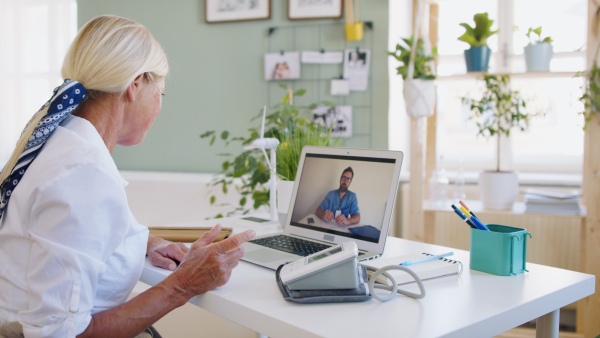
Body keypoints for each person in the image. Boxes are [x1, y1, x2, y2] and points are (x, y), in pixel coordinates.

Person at [0, 15, 255, 337]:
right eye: (160, 94)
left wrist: (143, 243)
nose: (159, 107)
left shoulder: (59, 144)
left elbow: (57, 232)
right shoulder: (81, 175)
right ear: (135, 85)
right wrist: (184, 284)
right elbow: (56, 335)